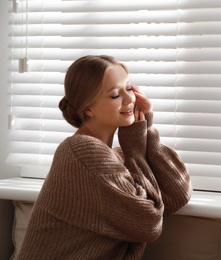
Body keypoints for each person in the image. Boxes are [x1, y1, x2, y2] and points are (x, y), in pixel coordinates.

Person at [17, 55, 192, 259]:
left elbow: (178, 193)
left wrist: (147, 129)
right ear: (88, 108)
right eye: (115, 95)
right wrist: (135, 149)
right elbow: (149, 224)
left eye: (129, 88)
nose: (129, 100)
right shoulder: (81, 153)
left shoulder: (115, 157)